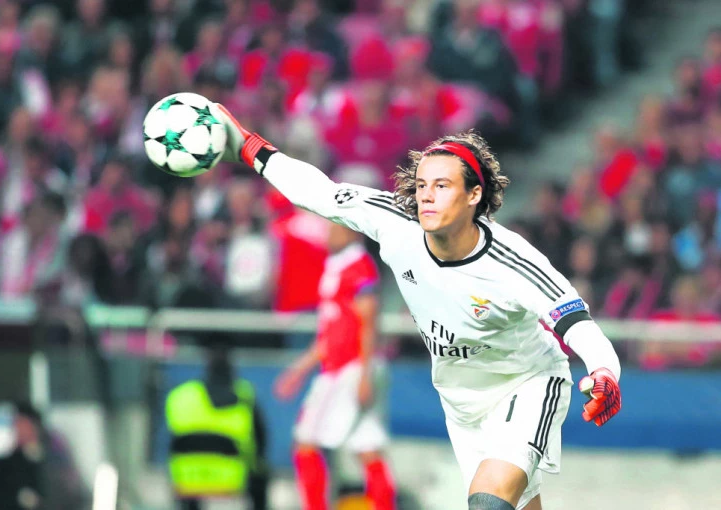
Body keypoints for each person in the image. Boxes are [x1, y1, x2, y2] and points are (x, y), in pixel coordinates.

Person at [212, 106, 623, 510]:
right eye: (422, 184)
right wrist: (249, 147)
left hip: (526, 383)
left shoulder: (513, 262)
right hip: (460, 401)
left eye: (442, 185)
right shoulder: (396, 223)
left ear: (474, 194)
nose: (426, 195)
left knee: (487, 500)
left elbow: (577, 322)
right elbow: (318, 193)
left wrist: (604, 371)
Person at [274, 221, 396, 510]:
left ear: (351, 230)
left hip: (348, 368)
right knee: (368, 447)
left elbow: (368, 322)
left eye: (333, 228)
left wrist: (364, 373)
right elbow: (331, 333)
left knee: (305, 442)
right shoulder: (338, 265)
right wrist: (298, 370)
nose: (327, 234)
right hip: (351, 366)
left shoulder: (358, 266)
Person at [165, 346, 269, 510]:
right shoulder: (244, 395)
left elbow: (173, 439)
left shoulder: (180, 395)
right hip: (232, 476)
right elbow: (260, 440)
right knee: (260, 474)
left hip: (186, 478)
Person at [0, 403, 87, 510]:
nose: (18, 430)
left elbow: (71, 497)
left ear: (35, 427)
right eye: (16, 424)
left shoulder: (54, 463)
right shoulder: (3, 466)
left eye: (23, 424)